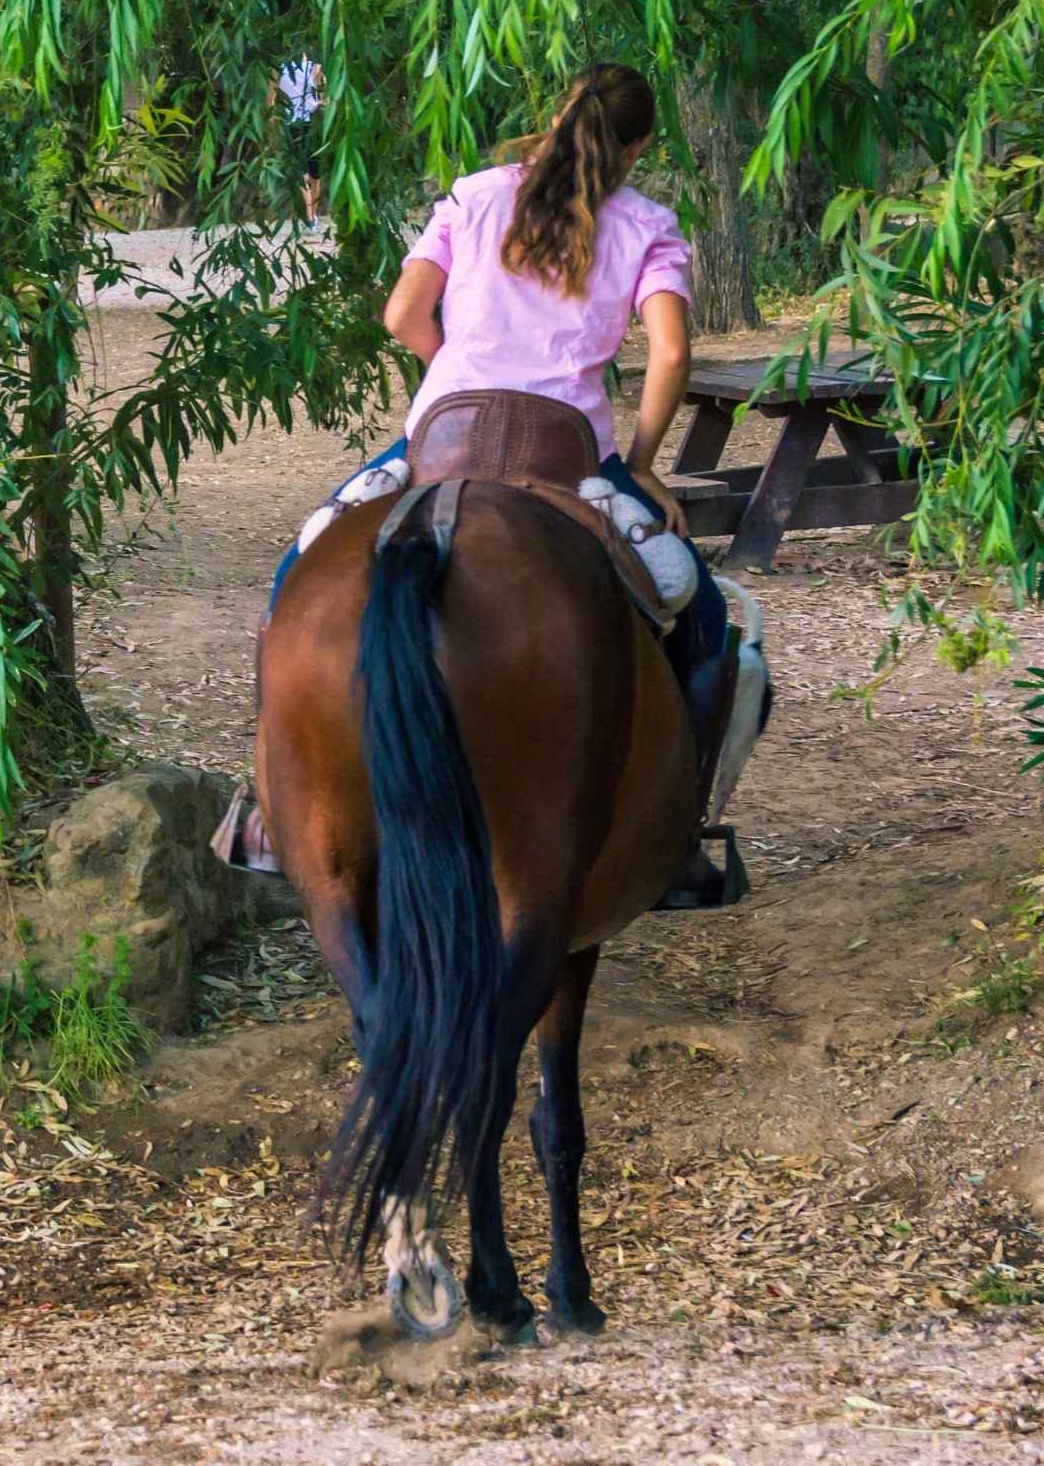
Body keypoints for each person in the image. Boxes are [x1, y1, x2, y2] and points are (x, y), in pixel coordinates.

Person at [245, 63, 758, 907]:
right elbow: (669, 353)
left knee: (295, 579)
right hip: (567, 453)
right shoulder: (647, 228)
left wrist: (455, 372)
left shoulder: (476, 197)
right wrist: (640, 462)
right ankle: (679, 837)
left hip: (444, 435)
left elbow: (404, 315)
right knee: (698, 615)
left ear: (559, 116)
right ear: (638, 148)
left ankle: (266, 806)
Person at [268, 54, 324, 225]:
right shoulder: (316, 68)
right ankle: (312, 216)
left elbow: (270, 101)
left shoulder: (277, 70)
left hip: (292, 125)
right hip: (314, 124)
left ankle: (310, 218)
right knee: (315, 175)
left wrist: (272, 128)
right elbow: (325, 99)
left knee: (302, 174)